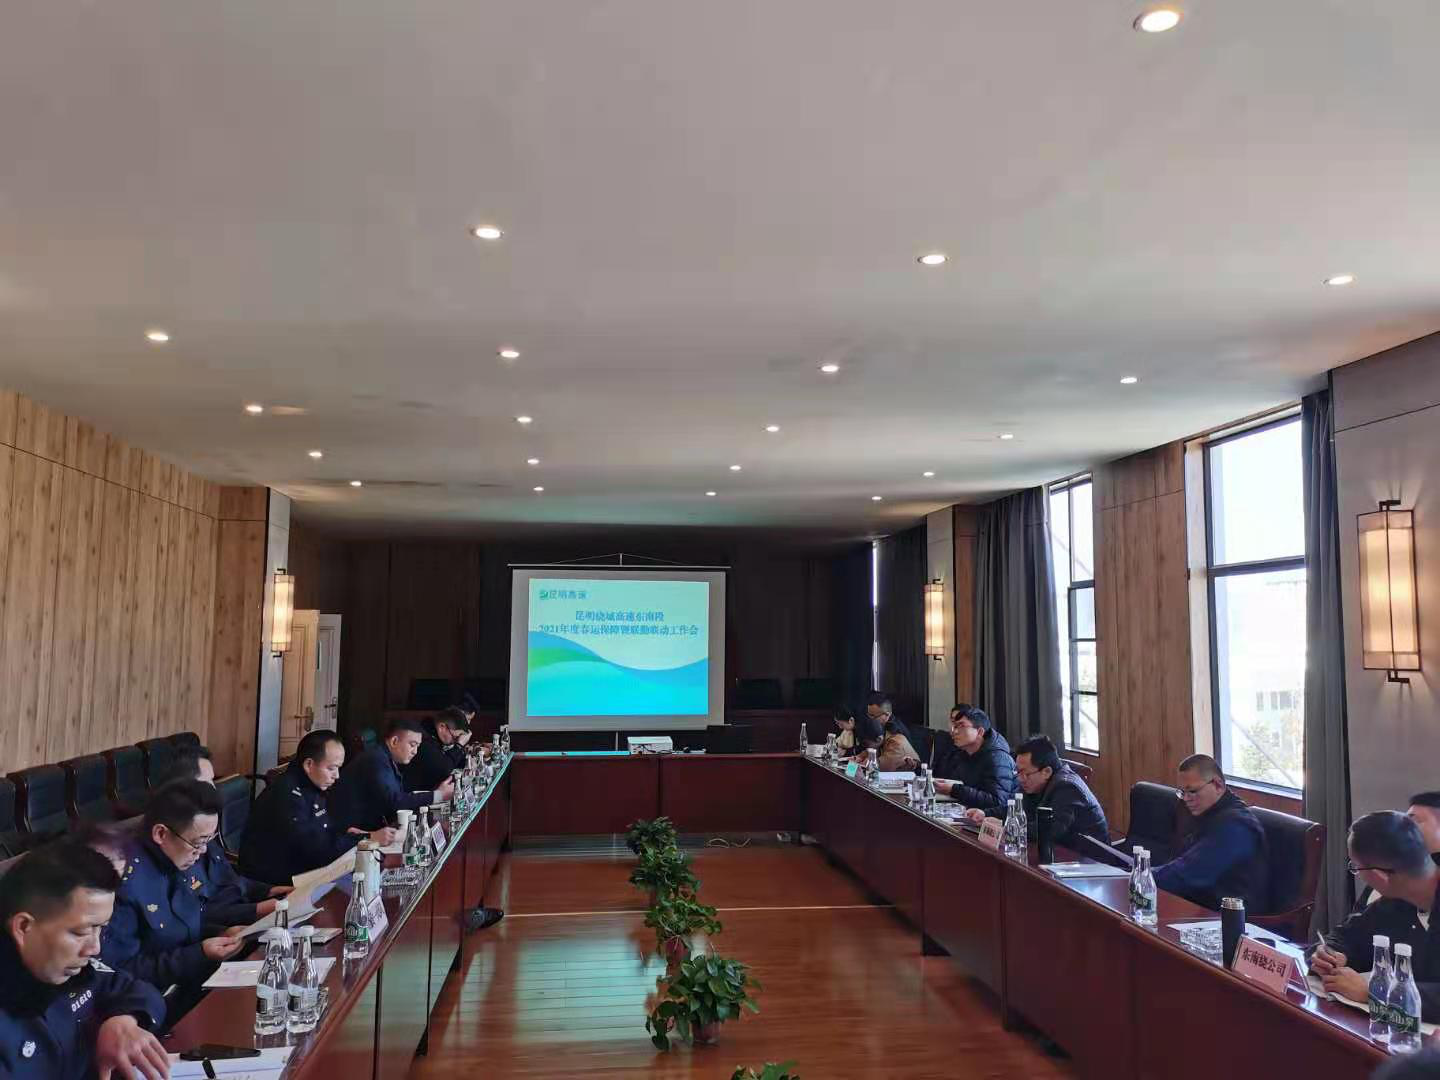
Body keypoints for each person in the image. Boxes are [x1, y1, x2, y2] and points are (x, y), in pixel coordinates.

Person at [0, 843, 169, 1079]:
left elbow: (137, 990)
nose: (95, 948)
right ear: (24, 927)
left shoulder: (72, 969)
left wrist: (125, 1020)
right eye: (81, 932)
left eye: (101, 928)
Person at [99, 781, 245, 1007]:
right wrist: (200, 954)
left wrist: (222, 934)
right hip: (157, 1003)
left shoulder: (180, 858)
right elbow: (122, 970)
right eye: (198, 842)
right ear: (161, 833)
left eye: (209, 840)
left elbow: (185, 927)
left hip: (196, 981)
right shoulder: (125, 883)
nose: (203, 851)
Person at [1310, 811, 1440, 1018]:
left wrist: (1376, 992)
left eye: (1356, 868)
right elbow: (1348, 936)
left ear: (1379, 875)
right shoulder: (1396, 899)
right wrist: (1330, 954)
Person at [239, 731, 396, 886]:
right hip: (275, 882)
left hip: (303, 864)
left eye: (338, 768)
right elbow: (318, 849)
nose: (337, 776)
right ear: (309, 765)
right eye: (331, 768)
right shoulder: (288, 796)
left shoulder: (309, 783)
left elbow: (322, 828)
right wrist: (367, 838)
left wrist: (349, 833)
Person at [156, 746, 290, 926]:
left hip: (243, 914)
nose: (215, 788)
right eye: (207, 783)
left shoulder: (204, 828)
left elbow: (229, 878)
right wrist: (258, 909)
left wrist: (270, 891)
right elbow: (198, 914)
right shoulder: (176, 841)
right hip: (226, 929)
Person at [1151, 754, 1268, 913]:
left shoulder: (1237, 826)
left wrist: (1141, 878)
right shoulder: (1207, 815)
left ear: (1218, 785)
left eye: (1192, 791)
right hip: (1199, 907)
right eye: (1182, 792)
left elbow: (1187, 874)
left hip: (1231, 919)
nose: (1186, 799)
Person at [966, 735, 1108, 848]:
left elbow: (1049, 830)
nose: (1020, 779)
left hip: (1089, 861)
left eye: (1024, 773)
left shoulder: (1067, 787)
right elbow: (1016, 809)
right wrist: (985, 814)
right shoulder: (1032, 782)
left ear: (1046, 771)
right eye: (1018, 772)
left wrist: (1004, 827)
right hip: (1055, 852)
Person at [328, 717, 456, 834]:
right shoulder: (376, 760)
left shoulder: (383, 756)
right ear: (394, 741)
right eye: (412, 745)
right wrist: (439, 795)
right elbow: (395, 802)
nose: (415, 752)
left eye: (418, 746)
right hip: (350, 834)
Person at [931, 704, 1017, 810]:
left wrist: (954, 790)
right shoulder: (962, 753)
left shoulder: (998, 758)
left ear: (980, 731)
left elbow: (997, 801)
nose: (954, 732)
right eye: (955, 726)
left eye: (961, 726)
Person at [402, 706, 471, 791]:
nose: (454, 742)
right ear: (442, 727)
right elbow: (444, 769)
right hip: (412, 794)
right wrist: (459, 745)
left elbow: (456, 762)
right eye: (455, 737)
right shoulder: (423, 738)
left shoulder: (436, 735)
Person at [853, 712, 920, 772]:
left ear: (879, 739)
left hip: (910, 779)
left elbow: (874, 770)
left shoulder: (896, 745)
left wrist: (852, 767)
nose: (865, 747)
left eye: (865, 744)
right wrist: (855, 759)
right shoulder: (881, 739)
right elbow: (863, 756)